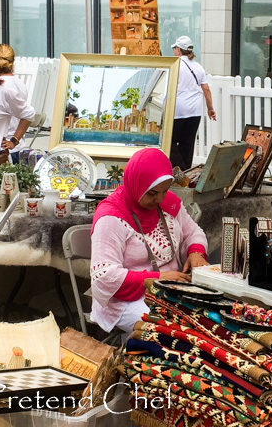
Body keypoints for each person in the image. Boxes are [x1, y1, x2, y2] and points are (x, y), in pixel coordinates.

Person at [90, 148, 208, 335]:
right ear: (137, 184)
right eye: (152, 193)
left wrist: (196, 252)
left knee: (208, 320)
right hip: (125, 301)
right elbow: (105, 277)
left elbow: (193, 232)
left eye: (164, 191)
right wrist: (159, 279)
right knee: (171, 330)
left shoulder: (168, 202)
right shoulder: (111, 217)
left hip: (171, 289)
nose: (159, 199)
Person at [170, 35, 216, 171]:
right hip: (195, 111)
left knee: (169, 142)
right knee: (188, 144)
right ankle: (185, 173)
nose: (173, 51)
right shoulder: (198, 67)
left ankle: (181, 171)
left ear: (179, 49)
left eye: (174, 48)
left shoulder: (175, 65)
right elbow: (206, 89)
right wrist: (210, 108)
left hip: (178, 111)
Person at [0, 44, 35, 165]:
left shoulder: (4, 88)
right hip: (11, 146)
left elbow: (28, 114)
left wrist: (14, 140)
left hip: (6, 147)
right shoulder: (17, 83)